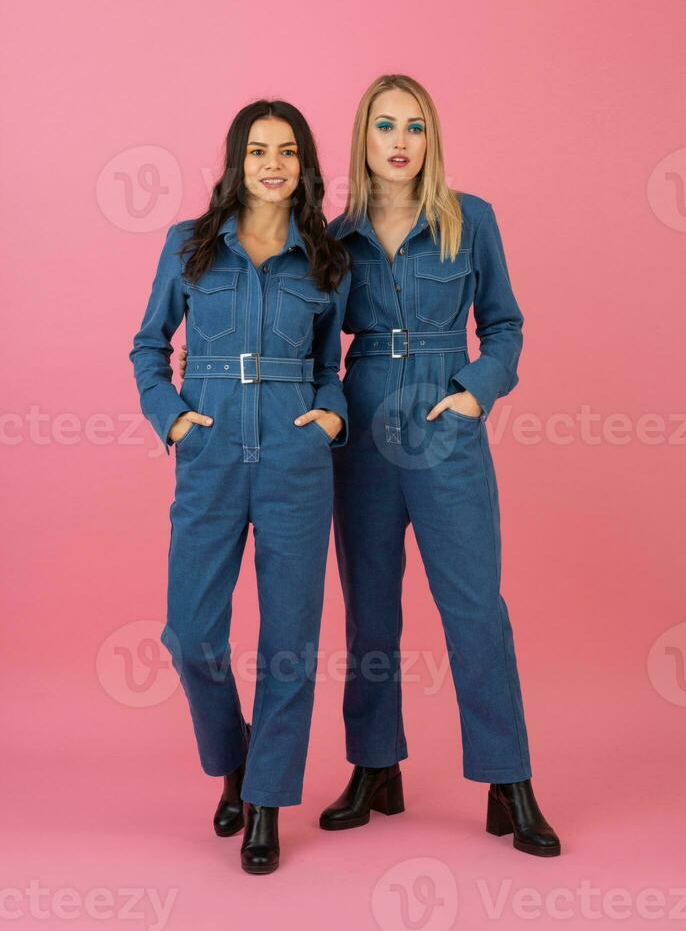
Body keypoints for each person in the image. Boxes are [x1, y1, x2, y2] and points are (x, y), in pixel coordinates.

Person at [320, 74, 560, 857]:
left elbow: (507, 328)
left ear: (431, 139)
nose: (399, 142)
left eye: (414, 127)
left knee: (474, 607)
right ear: (364, 138)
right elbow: (318, 346)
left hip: (442, 417)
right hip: (361, 422)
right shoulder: (334, 236)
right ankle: (374, 765)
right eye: (385, 126)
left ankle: (509, 780)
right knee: (371, 609)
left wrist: (471, 394)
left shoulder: (470, 221)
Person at [130, 99, 351, 874]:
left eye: (288, 151)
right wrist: (174, 421)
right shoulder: (189, 246)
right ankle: (235, 761)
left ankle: (266, 801)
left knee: (290, 643)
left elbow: (332, 367)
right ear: (236, 159)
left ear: (304, 165)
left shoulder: (327, 257)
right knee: (192, 633)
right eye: (258, 149)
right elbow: (147, 346)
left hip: (296, 462)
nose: (273, 163)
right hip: (211, 453)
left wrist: (329, 413)